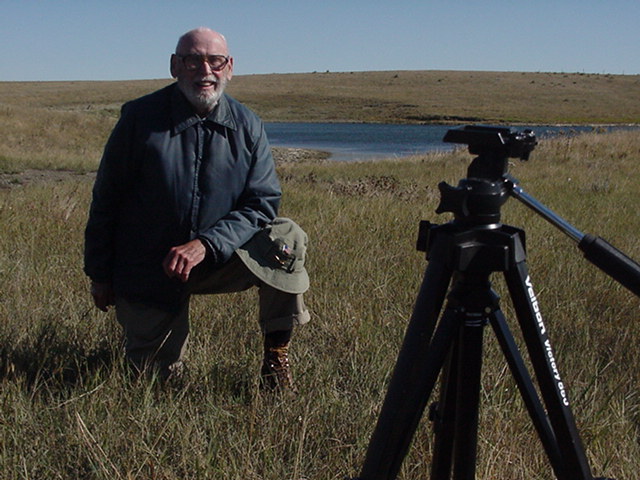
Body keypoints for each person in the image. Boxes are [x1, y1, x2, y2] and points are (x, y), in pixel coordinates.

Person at [84, 27, 310, 391]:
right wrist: (100, 274)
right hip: (150, 268)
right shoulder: (139, 120)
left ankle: (275, 357)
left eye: (215, 60)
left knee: (287, 236)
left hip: (219, 258)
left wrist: (206, 244)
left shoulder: (247, 124)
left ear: (229, 67)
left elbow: (262, 202)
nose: (205, 70)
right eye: (193, 60)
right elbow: (106, 199)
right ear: (176, 66)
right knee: (151, 385)